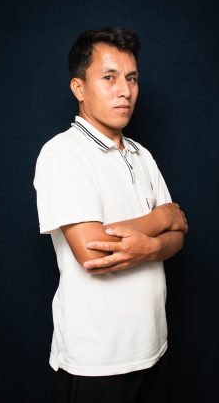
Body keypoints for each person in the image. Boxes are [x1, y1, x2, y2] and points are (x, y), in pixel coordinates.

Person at [34, 27, 188, 403]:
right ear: (79, 88)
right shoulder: (63, 153)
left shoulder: (141, 154)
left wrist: (151, 243)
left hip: (153, 347)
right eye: (109, 77)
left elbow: (179, 235)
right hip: (97, 361)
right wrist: (160, 218)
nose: (125, 90)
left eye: (131, 78)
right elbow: (94, 253)